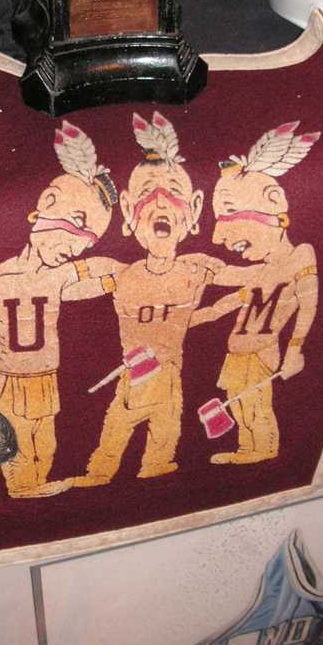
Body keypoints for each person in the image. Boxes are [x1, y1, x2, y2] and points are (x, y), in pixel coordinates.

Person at [0, 122, 118, 497]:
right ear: (48, 204)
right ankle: (22, 489)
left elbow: (99, 275)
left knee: (45, 442)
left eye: (89, 241)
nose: (77, 247)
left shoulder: (59, 277)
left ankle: (37, 486)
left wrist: (128, 276)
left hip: (45, 379)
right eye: (78, 227)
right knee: (14, 442)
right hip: (9, 381)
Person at [73, 111, 219, 486]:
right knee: (118, 425)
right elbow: (73, 285)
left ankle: (155, 466)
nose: (160, 202)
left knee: (165, 430)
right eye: (146, 193)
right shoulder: (122, 274)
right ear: (127, 209)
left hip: (169, 373)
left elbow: (193, 315)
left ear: (194, 209)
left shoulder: (195, 271)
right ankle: (101, 471)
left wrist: (230, 302)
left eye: (173, 191)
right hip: (136, 372)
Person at [189, 121, 320, 464]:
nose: (218, 236)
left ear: (274, 202)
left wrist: (295, 350)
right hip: (237, 349)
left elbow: (308, 306)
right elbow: (223, 302)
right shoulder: (260, 272)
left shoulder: (300, 256)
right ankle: (248, 449)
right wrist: (183, 319)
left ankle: (263, 450)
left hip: (263, 350)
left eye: (229, 212)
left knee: (256, 404)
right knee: (239, 403)